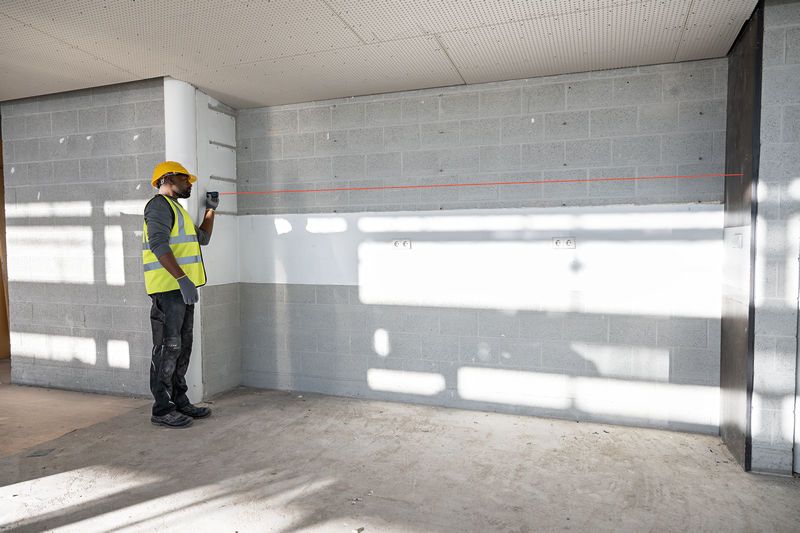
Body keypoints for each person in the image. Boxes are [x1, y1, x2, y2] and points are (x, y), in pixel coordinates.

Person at [142, 161, 218, 428]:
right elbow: (158, 244)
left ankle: (179, 401)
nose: (189, 184)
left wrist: (210, 210)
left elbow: (202, 238)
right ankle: (162, 410)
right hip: (168, 289)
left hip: (182, 291)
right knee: (168, 348)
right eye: (185, 179)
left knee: (182, 347)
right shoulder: (158, 206)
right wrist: (182, 278)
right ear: (167, 179)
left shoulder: (177, 210)